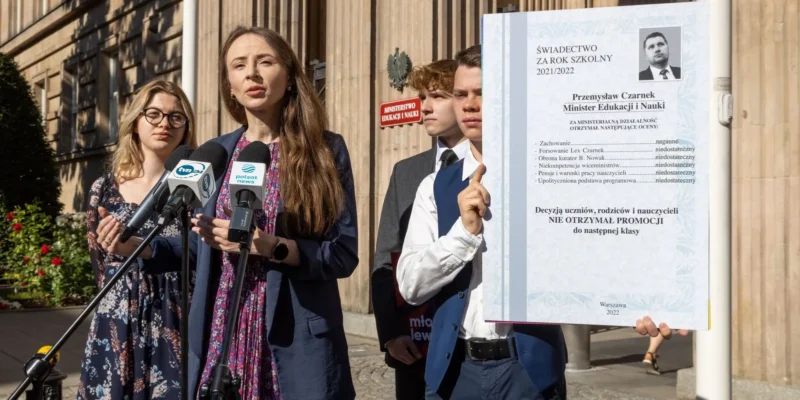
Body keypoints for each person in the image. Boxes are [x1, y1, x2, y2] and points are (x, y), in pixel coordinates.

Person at [144, 26, 358, 399]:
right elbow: (198, 246)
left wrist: (273, 246)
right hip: (223, 328)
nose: (252, 74)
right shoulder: (216, 152)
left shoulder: (325, 151)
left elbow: (342, 254)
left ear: (289, 75)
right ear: (230, 84)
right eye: (239, 65)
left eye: (265, 62)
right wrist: (144, 247)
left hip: (293, 333)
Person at [396, 44, 567, 400]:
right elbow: (411, 285)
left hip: (529, 370)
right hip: (456, 370)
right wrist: (463, 234)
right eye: (460, 94)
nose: (469, 104)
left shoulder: (551, 176)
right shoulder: (435, 186)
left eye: (482, 93)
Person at [77, 79, 198, 399]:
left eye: (176, 116)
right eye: (154, 114)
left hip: (177, 318)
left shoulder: (198, 187)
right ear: (135, 122)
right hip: (117, 322)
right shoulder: (104, 188)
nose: (165, 124)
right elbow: (99, 265)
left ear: (186, 126)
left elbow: (201, 255)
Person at [372, 59, 469, 400]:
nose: (425, 107)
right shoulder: (407, 172)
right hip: (416, 343)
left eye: (438, 96)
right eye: (423, 97)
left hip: (476, 341)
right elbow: (386, 258)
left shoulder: (495, 163)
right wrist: (391, 333)